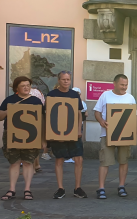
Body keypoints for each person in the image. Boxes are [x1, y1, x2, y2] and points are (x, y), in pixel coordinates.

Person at [0, 76, 44, 201]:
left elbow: (42, 120)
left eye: (28, 85)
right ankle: (11, 190)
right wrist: (10, 110)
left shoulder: (36, 101)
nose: (26, 88)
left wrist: (43, 139)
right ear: (16, 88)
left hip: (32, 136)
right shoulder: (10, 99)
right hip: (12, 135)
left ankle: (27, 190)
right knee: (14, 162)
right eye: (23, 86)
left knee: (28, 162)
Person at [93, 74, 137, 199]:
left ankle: (121, 186)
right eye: (122, 84)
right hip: (107, 134)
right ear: (115, 83)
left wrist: (135, 133)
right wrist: (101, 121)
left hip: (125, 135)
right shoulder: (105, 95)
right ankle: (101, 188)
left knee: (124, 161)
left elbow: (135, 116)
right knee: (104, 162)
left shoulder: (130, 98)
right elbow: (97, 112)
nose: (124, 87)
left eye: (126, 85)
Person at [45, 71, 86, 199]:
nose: (66, 81)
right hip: (57, 132)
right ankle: (60, 188)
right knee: (59, 159)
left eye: (68, 79)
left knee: (79, 159)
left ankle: (77, 188)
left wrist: (79, 130)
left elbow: (79, 114)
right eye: (63, 79)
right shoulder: (51, 95)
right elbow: (47, 114)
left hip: (73, 131)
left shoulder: (74, 95)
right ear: (59, 80)